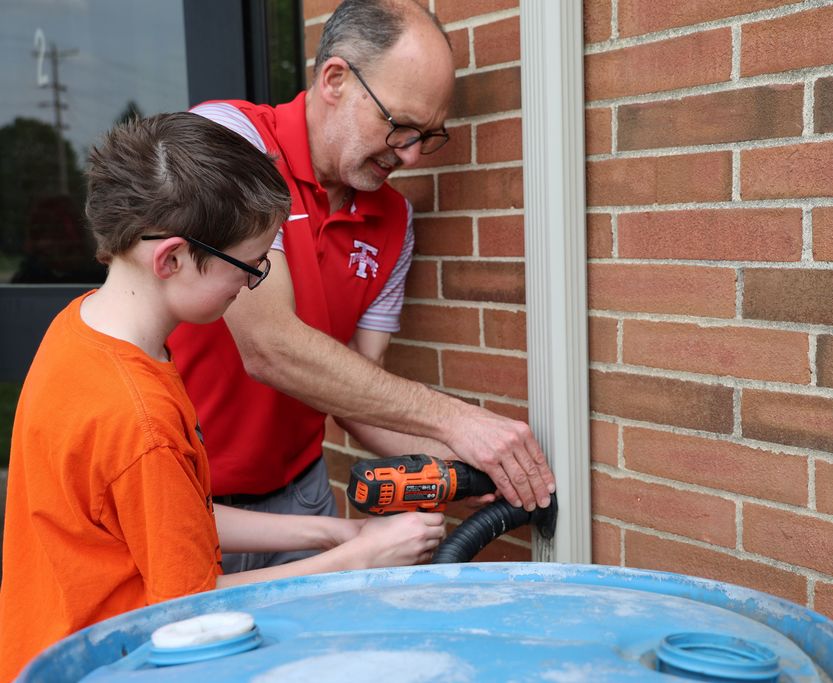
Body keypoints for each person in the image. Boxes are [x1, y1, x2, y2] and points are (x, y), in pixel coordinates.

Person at [0, 113, 445, 679]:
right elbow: (192, 609)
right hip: (100, 666)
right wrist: (357, 561)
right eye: (249, 265)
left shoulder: (84, 331)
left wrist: (336, 530)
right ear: (172, 258)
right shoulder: (138, 419)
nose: (254, 281)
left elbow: (173, 519)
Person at [168, 0, 555, 572]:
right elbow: (269, 346)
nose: (412, 155)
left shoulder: (395, 222)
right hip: (183, 494)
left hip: (300, 494)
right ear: (335, 80)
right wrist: (459, 421)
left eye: (429, 136)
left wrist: (463, 463)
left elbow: (356, 393)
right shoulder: (232, 142)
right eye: (399, 125)